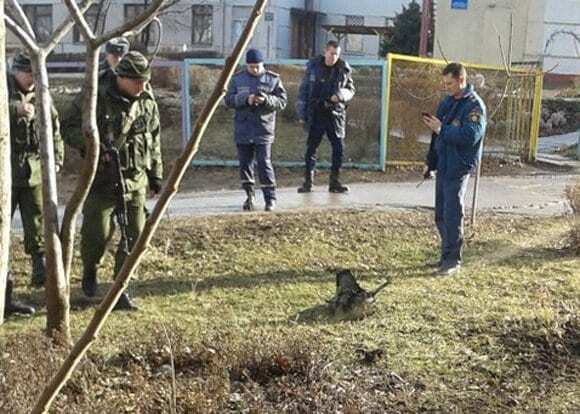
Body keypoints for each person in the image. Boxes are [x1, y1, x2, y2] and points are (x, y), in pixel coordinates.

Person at [63, 51, 163, 311]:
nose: (142, 86)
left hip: (136, 181)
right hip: (101, 180)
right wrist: (93, 146)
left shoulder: (147, 101)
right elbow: (68, 126)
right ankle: (90, 269)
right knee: (97, 233)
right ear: (122, 77)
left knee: (135, 236)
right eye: (137, 81)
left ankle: (121, 290)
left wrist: (156, 175)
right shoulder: (96, 97)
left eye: (145, 81)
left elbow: (154, 139)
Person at [4, 51, 64, 316]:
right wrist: (11, 109)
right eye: (28, 73)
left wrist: (57, 161)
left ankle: (42, 281)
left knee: (39, 225)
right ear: (16, 71)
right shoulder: (4, 89)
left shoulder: (43, 94)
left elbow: (55, 129)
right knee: (3, 233)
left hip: (35, 172)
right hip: (5, 174)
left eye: (35, 74)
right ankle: (4, 294)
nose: (31, 79)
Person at [422, 62, 487, 276]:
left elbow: (470, 136)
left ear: (461, 80)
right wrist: (430, 162)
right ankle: (445, 255)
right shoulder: (448, 102)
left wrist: (442, 128)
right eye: (445, 83)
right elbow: (436, 135)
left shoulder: (474, 106)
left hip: (458, 166)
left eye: (450, 83)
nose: (446, 87)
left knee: (452, 214)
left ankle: (452, 260)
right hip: (443, 164)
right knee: (440, 215)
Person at [225, 48, 288, 212]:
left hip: (263, 129)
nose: (254, 69)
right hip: (243, 129)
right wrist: (246, 99)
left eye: (257, 66)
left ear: (262, 65)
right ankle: (249, 196)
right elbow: (229, 99)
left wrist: (266, 99)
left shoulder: (273, 79)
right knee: (245, 164)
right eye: (251, 66)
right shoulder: (238, 79)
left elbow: (282, 101)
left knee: (264, 163)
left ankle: (270, 198)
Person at [296, 40, 355, 194]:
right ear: (325, 52)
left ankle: (334, 182)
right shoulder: (314, 67)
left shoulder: (343, 69)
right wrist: (302, 114)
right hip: (316, 113)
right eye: (331, 53)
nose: (334, 57)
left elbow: (350, 89)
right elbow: (303, 91)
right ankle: (308, 182)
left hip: (335, 114)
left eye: (336, 54)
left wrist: (341, 95)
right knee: (311, 149)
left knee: (338, 149)